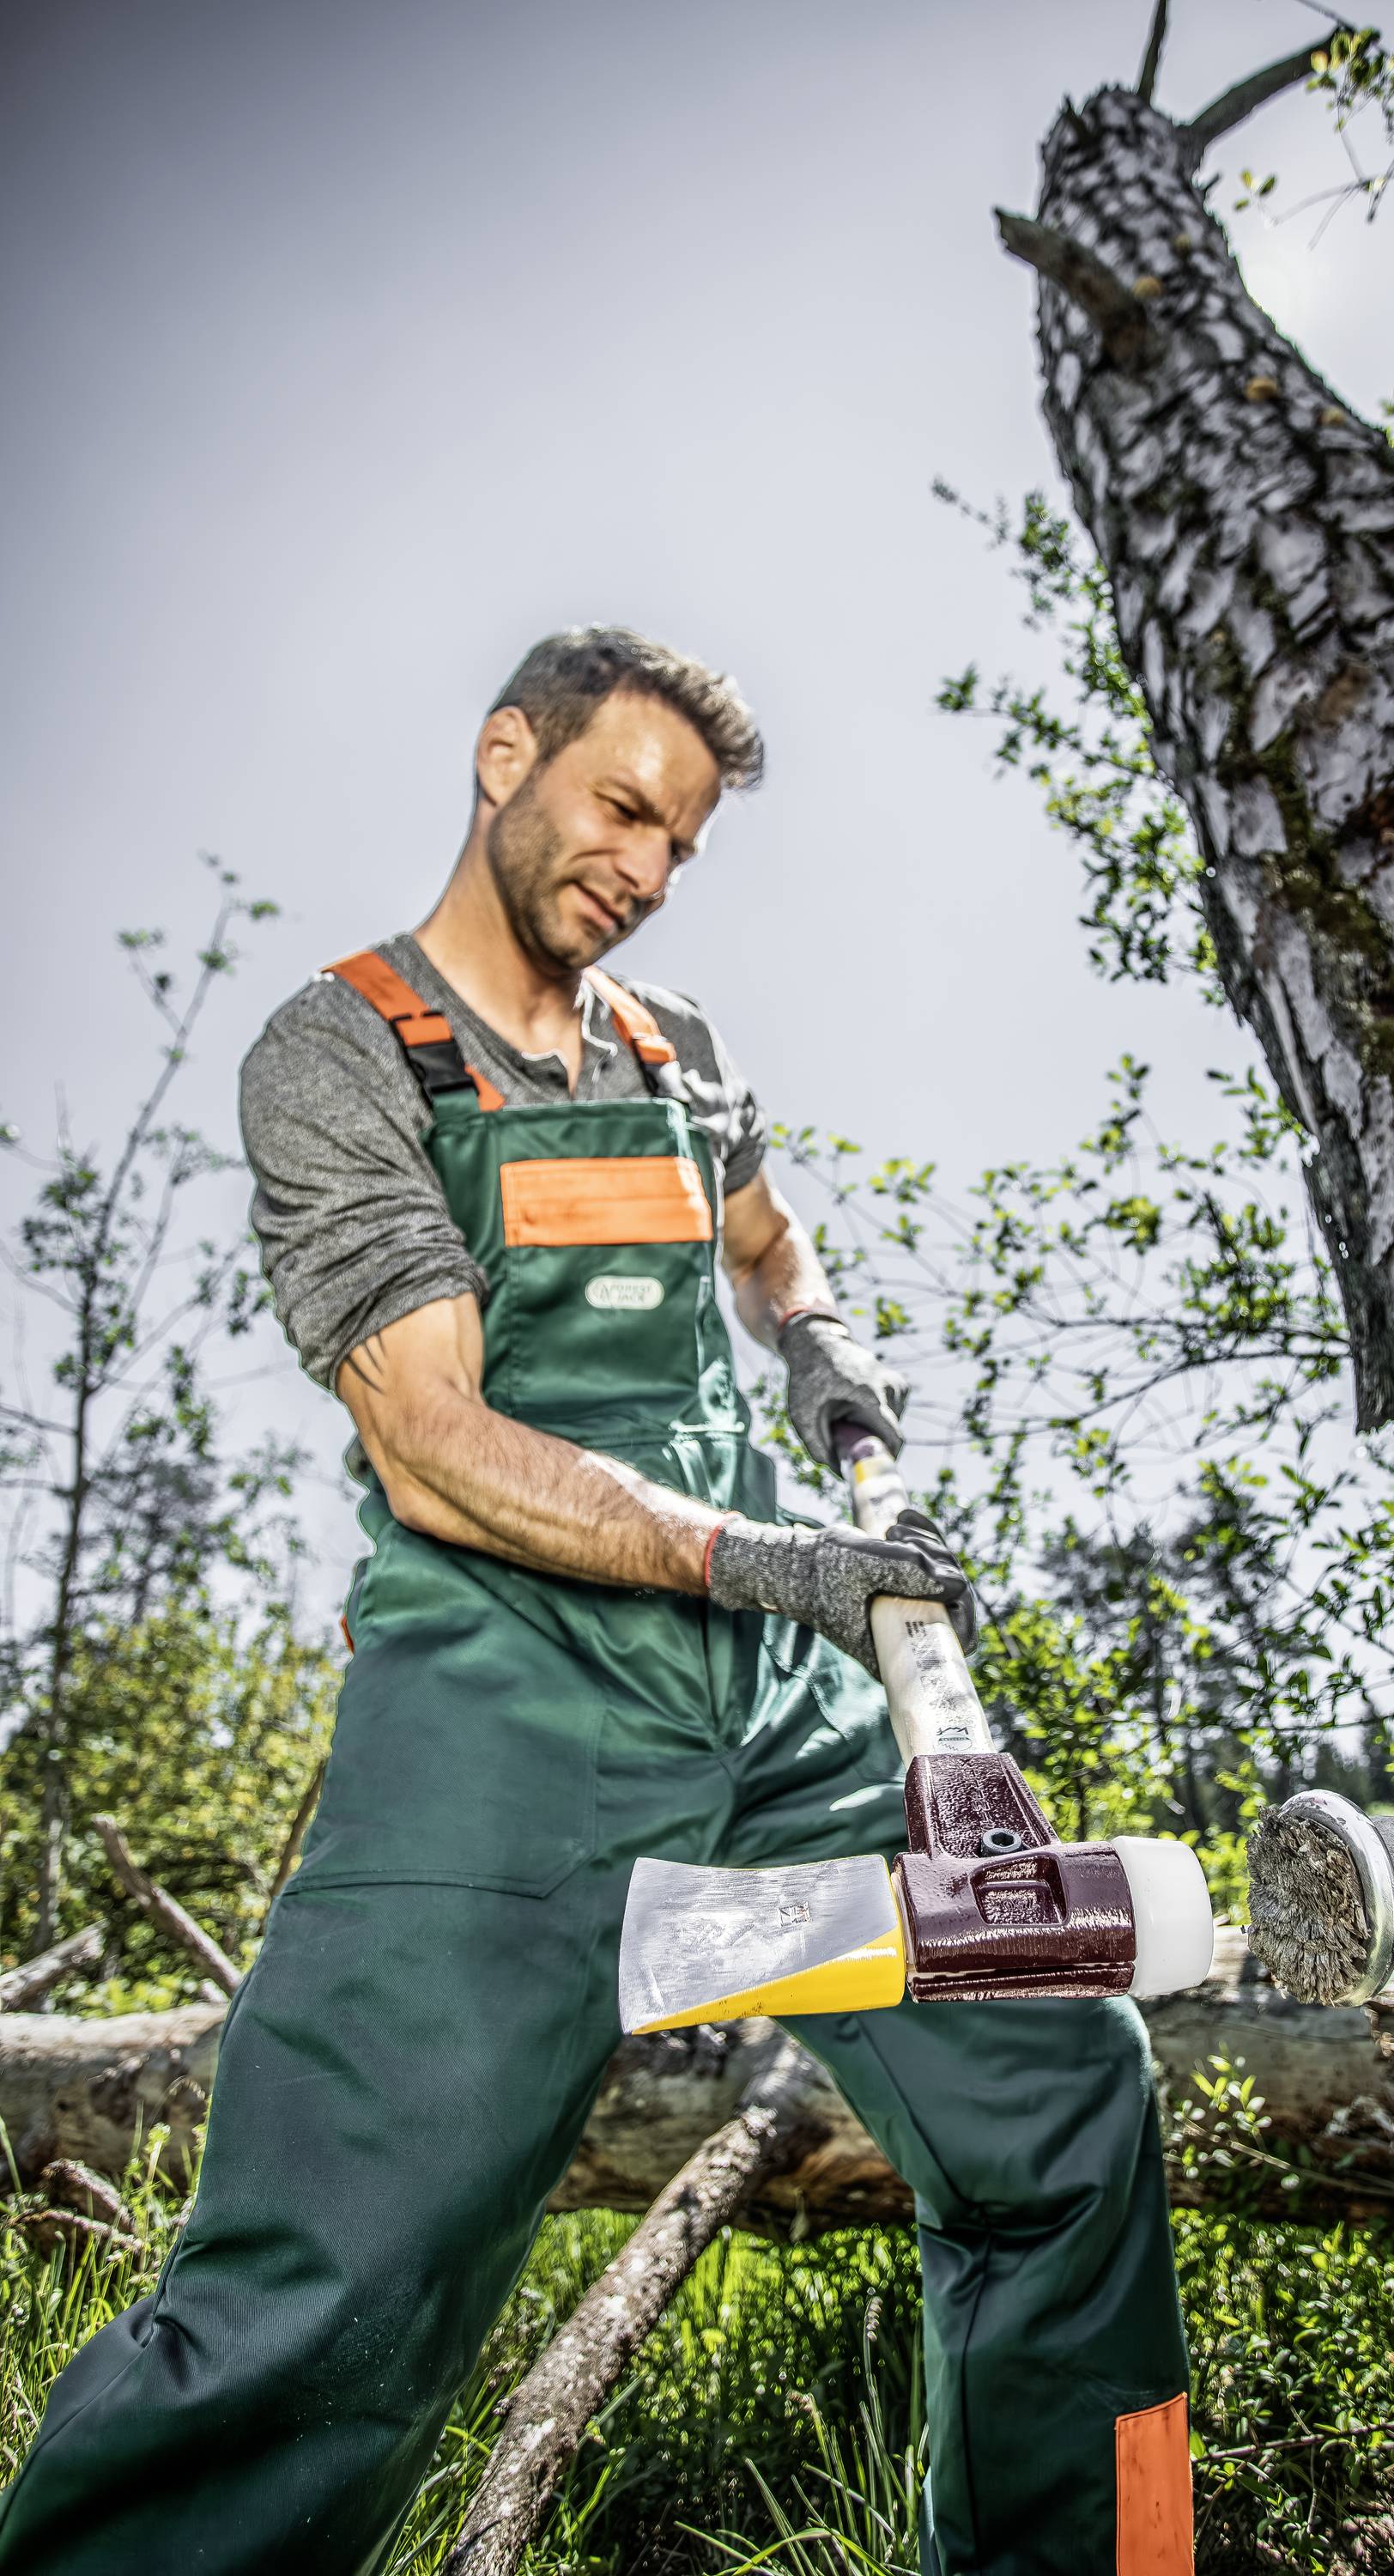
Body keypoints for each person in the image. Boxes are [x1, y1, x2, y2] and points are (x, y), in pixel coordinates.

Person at [0, 629, 1188, 2574]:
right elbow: (433, 1438)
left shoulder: (673, 1052)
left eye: (680, 845)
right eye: (622, 807)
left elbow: (769, 1243)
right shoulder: (344, 1051)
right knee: (325, 2308)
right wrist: (764, 1554)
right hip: (502, 1747)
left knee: (1066, 2099)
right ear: (504, 757)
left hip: (792, 1741)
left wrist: (815, 1349)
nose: (642, 866)